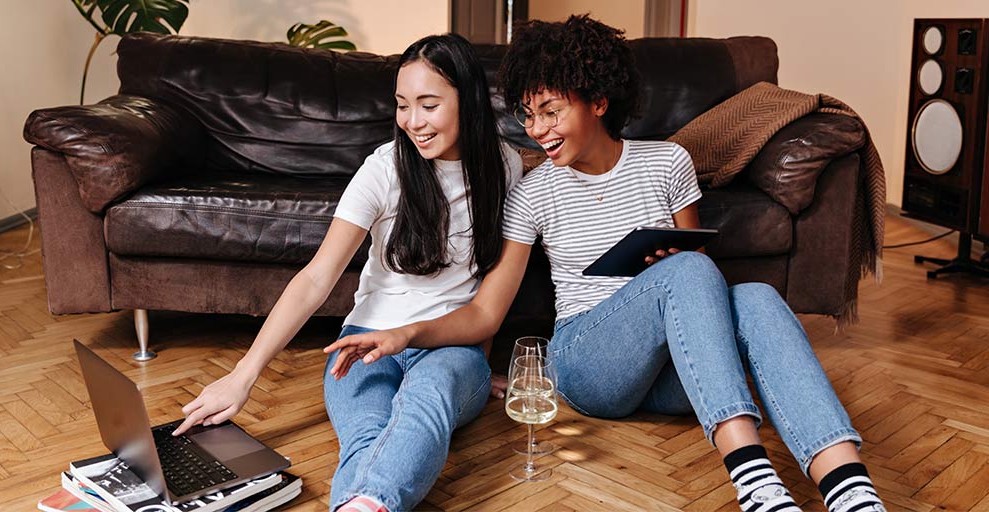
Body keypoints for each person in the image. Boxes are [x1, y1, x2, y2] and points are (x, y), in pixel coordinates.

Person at [324, 16, 886, 512]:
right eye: (529, 115)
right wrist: (410, 333)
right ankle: (753, 478)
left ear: (597, 100)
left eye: (552, 111)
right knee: (687, 272)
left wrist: (669, 270)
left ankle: (849, 487)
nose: (538, 129)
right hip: (589, 364)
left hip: (675, 363)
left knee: (755, 297)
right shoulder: (532, 191)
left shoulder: (669, 161)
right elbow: (488, 312)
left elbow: (698, 282)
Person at [173, 33, 523, 512]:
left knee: (427, 399)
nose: (412, 122)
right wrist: (243, 374)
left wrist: (476, 365)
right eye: (402, 105)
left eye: (429, 104)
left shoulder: (504, 166)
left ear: (470, 101)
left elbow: (487, 288)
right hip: (362, 343)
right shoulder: (382, 170)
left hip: (449, 346)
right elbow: (317, 278)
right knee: (367, 433)